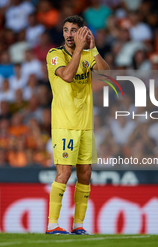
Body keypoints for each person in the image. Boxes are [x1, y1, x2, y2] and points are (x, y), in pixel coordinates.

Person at [45, 15, 109, 235]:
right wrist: (81, 50)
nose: (69, 34)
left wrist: (94, 48)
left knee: (85, 173)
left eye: (74, 30)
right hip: (64, 124)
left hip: (85, 125)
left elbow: (106, 76)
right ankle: (53, 223)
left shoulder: (88, 53)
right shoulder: (54, 54)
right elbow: (68, 76)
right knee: (64, 172)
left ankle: (78, 224)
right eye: (66, 30)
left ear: (82, 32)